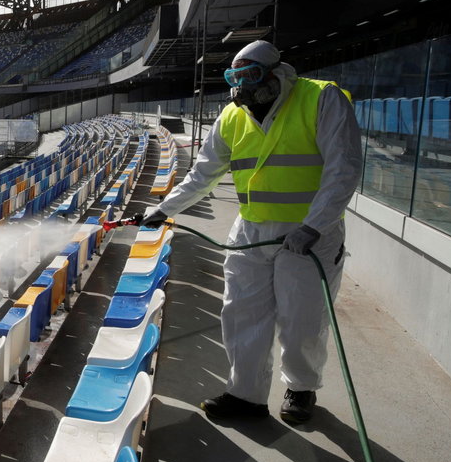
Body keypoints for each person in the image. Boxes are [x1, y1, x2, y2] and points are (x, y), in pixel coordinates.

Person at [141, 40, 362, 424]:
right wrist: (163, 209)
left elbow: (343, 169)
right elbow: (202, 176)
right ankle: (246, 395)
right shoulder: (231, 116)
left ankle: (301, 388)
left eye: (251, 76)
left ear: (277, 73)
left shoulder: (321, 100)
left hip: (309, 235)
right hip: (252, 230)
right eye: (235, 78)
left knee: (302, 319)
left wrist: (313, 226)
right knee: (241, 313)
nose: (242, 86)